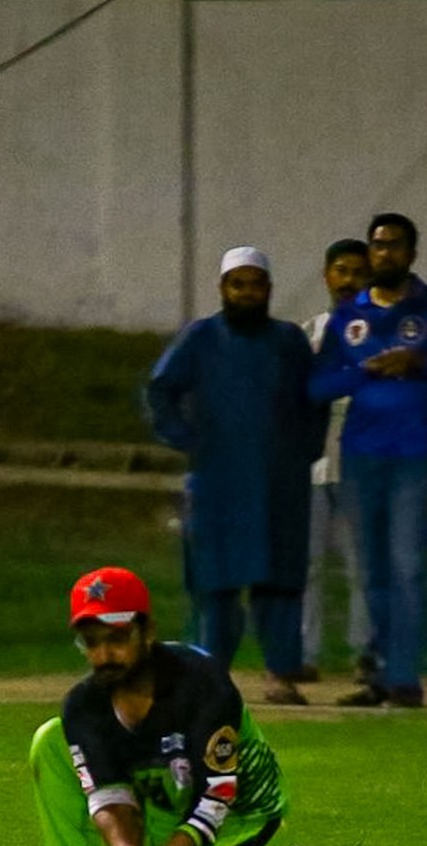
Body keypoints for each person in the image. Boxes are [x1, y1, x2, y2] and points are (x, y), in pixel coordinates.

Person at [6, 566, 329, 846]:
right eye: (92, 642)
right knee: (50, 740)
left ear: (148, 631)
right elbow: (109, 799)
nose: (105, 654)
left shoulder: (201, 682)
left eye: (117, 637)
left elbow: (217, 796)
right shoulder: (84, 706)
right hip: (166, 807)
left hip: (240, 814)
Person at [311, 213, 427, 708]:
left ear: (412, 253)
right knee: (371, 571)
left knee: (408, 566)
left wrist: (422, 362)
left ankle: (405, 677)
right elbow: (317, 384)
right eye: (377, 244)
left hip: (416, 452)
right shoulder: (350, 315)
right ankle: (378, 672)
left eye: (394, 245)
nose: (384, 253)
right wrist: (362, 373)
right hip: (361, 454)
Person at [146, 246, 326, 706]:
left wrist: (304, 450)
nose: (247, 293)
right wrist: (188, 439)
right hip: (218, 483)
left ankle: (280, 675)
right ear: (223, 288)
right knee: (215, 585)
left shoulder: (288, 341)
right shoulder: (201, 338)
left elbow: (314, 401)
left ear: (268, 289)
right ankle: (209, 678)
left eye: (255, 285)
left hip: (279, 484)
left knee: (280, 583)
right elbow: (161, 390)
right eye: (237, 284)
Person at [300, 238, 374, 685]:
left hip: (360, 466)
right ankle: (302, 653)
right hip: (311, 467)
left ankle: (365, 653)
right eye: (341, 271)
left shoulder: (380, 332)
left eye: (357, 273)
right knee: (305, 566)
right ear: (327, 275)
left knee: (362, 565)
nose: (348, 281)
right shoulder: (308, 333)